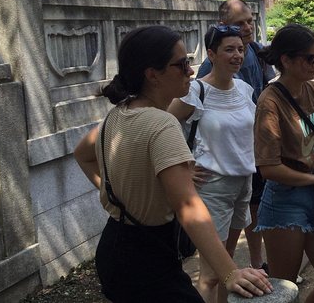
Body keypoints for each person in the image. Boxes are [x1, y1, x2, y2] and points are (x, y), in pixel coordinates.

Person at [73, 25, 273, 302]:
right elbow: (188, 206)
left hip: (114, 247)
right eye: (181, 65)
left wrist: (119, 197)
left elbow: (82, 153)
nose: (191, 71)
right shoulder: (161, 122)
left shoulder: (117, 115)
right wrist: (230, 273)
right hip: (148, 258)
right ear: (153, 75)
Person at [254, 24, 314, 303]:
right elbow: (268, 168)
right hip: (285, 199)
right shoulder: (270, 101)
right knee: (284, 289)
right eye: (310, 58)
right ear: (286, 60)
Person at [168, 25, 256, 303]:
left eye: (240, 49)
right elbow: (166, 127)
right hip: (212, 187)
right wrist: (184, 167)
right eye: (229, 49)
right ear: (212, 54)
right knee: (209, 275)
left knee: (227, 266)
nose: (237, 55)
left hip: (244, 183)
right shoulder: (196, 91)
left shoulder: (244, 88)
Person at [197, 0, 275, 273]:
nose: (247, 27)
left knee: (253, 209)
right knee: (214, 267)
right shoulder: (206, 77)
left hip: (246, 160)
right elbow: (177, 122)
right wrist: (184, 163)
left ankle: (256, 261)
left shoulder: (254, 51)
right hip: (217, 172)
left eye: (250, 20)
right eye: (239, 23)